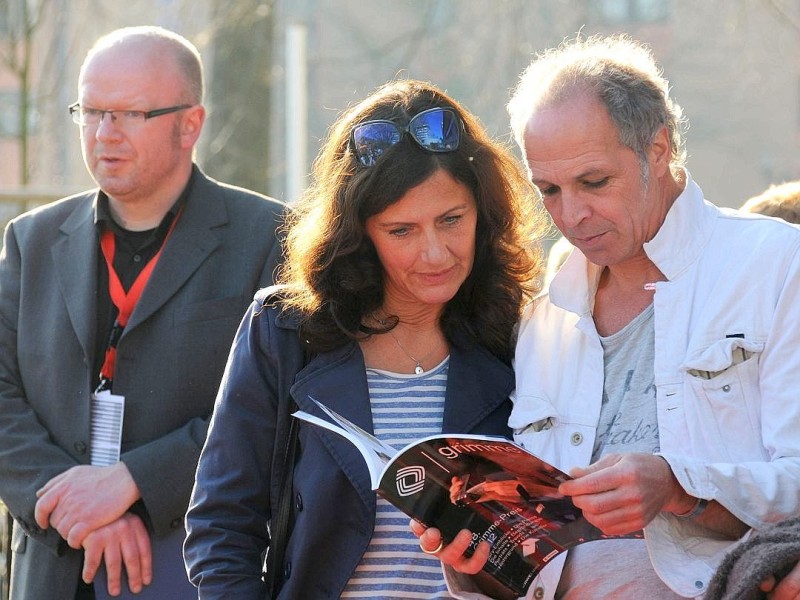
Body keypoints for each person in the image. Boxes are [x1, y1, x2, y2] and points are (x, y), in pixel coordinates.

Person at [413, 34, 800, 599]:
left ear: (659, 149)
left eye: (593, 182)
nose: (572, 214)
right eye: (548, 189)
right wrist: (475, 552)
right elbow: (538, 548)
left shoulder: (776, 265)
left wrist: (677, 489)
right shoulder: (544, 318)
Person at [183, 78, 548, 598]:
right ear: (357, 233)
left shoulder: (525, 332)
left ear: (484, 215)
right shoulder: (284, 328)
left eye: (451, 220)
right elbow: (222, 526)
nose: (436, 252)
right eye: (402, 230)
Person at [0, 26, 285, 600]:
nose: (104, 135)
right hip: (55, 566)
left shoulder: (270, 239)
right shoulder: (31, 240)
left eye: (130, 114)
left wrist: (135, 483)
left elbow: (278, 406)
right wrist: (73, 501)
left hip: (193, 565)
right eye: (92, 112)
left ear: (190, 124)